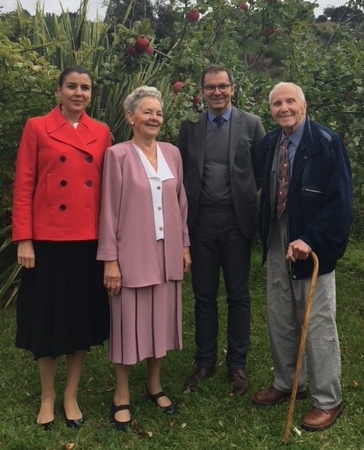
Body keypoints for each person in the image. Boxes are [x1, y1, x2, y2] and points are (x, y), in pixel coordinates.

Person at [12, 66, 111, 430]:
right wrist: (24, 237)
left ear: (90, 94)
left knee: (80, 320)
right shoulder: (37, 127)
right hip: (48, 241)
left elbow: (107, 192)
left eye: (85, 87)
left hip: (87, 240)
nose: (78, 93)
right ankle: (48, 396)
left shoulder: (101, 133)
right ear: (59, 91)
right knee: (48, 320)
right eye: (72, 86)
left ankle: (71, 394)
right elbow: (24, 185)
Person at [253, 82, 352, 432]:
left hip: (312, 244)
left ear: (304, 104)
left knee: (317, 322)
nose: (284, 108)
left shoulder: (325, 143)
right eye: (277, 103)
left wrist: (310, 238)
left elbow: (340, 203)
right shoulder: (269, 143)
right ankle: (286, 382)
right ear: (271, 110)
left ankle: (327, 399)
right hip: (279, 236)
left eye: (289, 101)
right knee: (280, 314)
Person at [96, 86, 191, 431]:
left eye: (159, 113)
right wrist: (110, 260)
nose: (154, 118)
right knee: (127, 325)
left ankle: (154, 385)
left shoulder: (173, 154)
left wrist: (184, 245)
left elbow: (181, 203)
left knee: (160, 323)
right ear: (130, 117)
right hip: (131, 255)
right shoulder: (117, 155)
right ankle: (121, 394)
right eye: (147, 112)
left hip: (167, 255)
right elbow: (108, 211)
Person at [177, 65, 265, 395]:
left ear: (233, 89)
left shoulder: (251, 124)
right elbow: (183, 169)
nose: (217, 92)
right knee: (203, 296)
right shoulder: (191, 125)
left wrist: (240, 197)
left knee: (238, 295)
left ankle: (237, 366)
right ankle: (204, 362)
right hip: (199, 222)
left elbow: (258, 171)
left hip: (236, 221)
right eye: (210, 88)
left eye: (222, 87)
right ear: (201, 92)